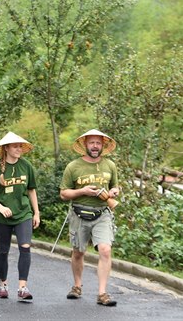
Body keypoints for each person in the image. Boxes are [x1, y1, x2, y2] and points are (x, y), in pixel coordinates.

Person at [60, 129, 120, 307]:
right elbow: (63, 193)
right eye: (92, 143)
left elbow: (115, 187)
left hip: (102, 213)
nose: (95, 146)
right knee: (78, 252)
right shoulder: (73, 166)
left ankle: (102, 293)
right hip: (79, 213)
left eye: (98, 143)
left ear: (103, 146)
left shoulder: (110, 165)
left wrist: (115, 191)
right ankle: (77, 286)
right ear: (85, 145)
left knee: (105, 250)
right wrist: (82, 191)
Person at [0, 132, 40, 301]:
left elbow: (31, 190)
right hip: (2, 217)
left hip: (24, 214)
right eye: (15, 146)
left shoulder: (26, 166)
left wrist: (36, 212)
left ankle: (22, 288)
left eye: (20, 146)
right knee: (3, 251)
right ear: (6, 148)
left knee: (25, 247)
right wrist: (0, 207)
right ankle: (3, 284)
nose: (19, 149)